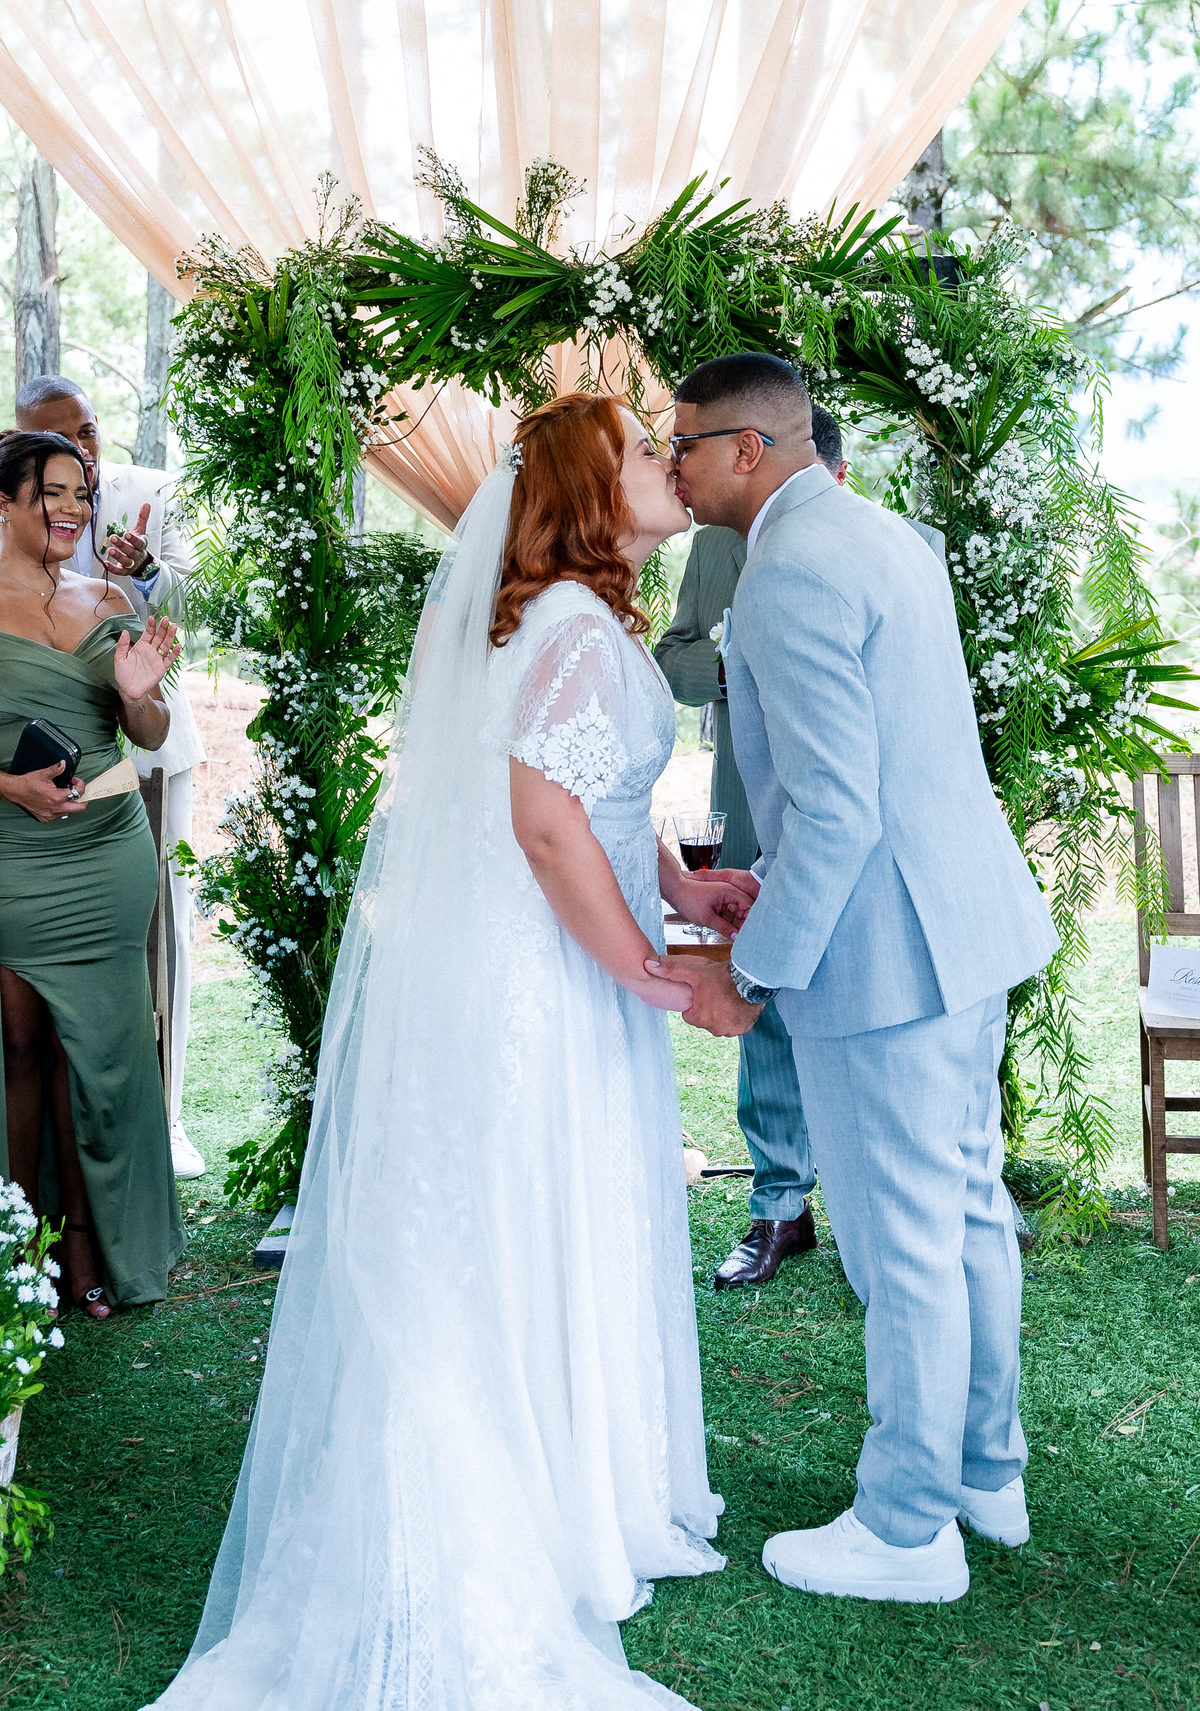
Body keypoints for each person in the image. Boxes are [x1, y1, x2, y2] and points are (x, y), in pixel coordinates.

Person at [143, 394, 748, 1711]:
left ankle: (585, 1478)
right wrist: (648, 967)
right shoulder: (573, 628)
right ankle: (545, 1497)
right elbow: (543, 824)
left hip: (550, 951)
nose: (666, 463)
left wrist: (679, 887)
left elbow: (596, 794)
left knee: (546, 1206)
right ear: (590, 492)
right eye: (642, 451)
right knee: (535, 1205)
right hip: (546, 969)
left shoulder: (570, 622)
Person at [655, 353, 1058, 1603]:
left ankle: (905, 1526)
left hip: (887, 956)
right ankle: (987, 1470)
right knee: (967, 1207)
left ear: (748, 450)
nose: (672, 465)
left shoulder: (784, 573)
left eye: (684, 443)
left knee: (903, 1243)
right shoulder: (886, 535)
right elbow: (884, 763)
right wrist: (770, 892)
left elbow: (839, 809)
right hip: (964, 929)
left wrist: (751, 976)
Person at [652, 403, 946, 1290]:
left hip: (872, 831)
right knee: (768, 992)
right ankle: (780, 1202)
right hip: (754, 801)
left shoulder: (903, 545)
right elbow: (676, 655)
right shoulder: (716, 549)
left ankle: (889, 1206)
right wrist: (743, 669)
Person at [0, 430, 185, 1315]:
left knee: (95, 1056)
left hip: (107, 851)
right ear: (3, 501)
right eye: (54, 491)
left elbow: (149, 732)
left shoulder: (109, 596)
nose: (75, 508)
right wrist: (10, 786)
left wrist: (139, 692)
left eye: (83, 491)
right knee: (21, 1046)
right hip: (13, 854)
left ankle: (85, 1245)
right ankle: (20, 1246)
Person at [15, 377, 207, 1181]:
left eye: (88, 432)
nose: (81, 452)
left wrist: (148, 576)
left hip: (146, 752)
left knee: (163, 941)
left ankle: (168, 1115)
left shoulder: (150, 494)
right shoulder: (17, 501)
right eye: (59, 439)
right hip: (27, 788)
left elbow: (205, 605)